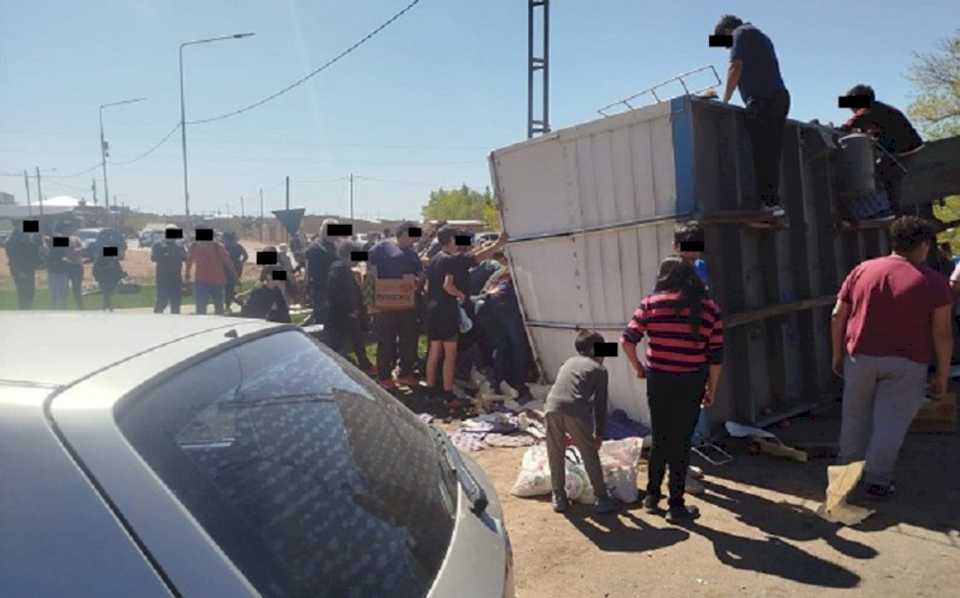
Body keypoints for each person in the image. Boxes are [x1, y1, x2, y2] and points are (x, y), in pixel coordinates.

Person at [831, 216, 952, 497]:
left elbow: (838, 315)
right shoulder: (933, 283)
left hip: (859, 357)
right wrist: (942, 377)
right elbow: (942, 333)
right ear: (923, 245)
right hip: (907, 363)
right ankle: (877, 480)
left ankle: (844, 477)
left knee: (854, 418)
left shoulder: (862, 270)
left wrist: (838, 355)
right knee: (891, 422)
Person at [622, 256, 725, 522]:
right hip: (691, 381)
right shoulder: (710, 309)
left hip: (659, 379)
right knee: (681, 442)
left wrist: (639, 368)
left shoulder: (651, 303)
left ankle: (652, 496)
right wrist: (711, 388)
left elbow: (627, 340)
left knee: (660, 436)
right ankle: (676, 505)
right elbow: (716, 356)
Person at [714, 14, 790, 215]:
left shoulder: (741, 33)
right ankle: (772, 203)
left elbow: (735, 66)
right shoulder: (760, 35)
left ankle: (767, 204)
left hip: (763, 101)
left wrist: (725, 100)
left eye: (726, 44)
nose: (728, 49)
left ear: (727, 32)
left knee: (762, 153)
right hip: (778, 98)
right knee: (771, 153)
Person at [544, 329, 618, 515]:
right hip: (576, 411)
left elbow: (566, 390)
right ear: (597, 351)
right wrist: (599, 434)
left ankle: (559, 497)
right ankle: (602, 498)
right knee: (589, 455)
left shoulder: (568, 362)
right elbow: (600, 405)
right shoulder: (600, 370)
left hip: (550, 407)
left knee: (555, 453)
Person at [839, 85, 924, 216]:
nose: (851, 109)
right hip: (911, 147)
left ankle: (888, 212)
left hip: (904, 151)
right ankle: (890, 209)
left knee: (879, 177)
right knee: (884, 175)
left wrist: (843, 128)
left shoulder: (869, 109)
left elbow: (853, 122)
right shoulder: (882, 109)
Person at [369, 221, 424, 387]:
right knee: (386, 341)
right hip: (384, 304)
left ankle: (404, 372)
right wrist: (370, 299)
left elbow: (420, 274)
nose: (413, 241)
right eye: (412, 237)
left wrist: (418, 282)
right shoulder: (380, 248)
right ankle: (384, 375)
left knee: (408, 339)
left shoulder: (412, 253)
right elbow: (367, 268)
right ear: (404, 234)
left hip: (406, 305)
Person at [326, 242, 374, 371]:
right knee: (342, 345)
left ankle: (364, 364)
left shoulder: (344, 269)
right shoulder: (338, 270)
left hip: (350, 312)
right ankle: (352, 367)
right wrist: (349, 310)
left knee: (358, 340)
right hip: (341, 315)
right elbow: (335, 294)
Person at [185, 234, 237, 315]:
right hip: (201, 282)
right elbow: (189, 261)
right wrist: (187, 274)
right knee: (201, 309)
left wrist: (235, 276)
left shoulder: (218, 247)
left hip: (217, 282)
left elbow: (228, 262)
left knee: (219, 308)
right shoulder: (194, 247)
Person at [305, 219, 340, 326]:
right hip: (322, 291)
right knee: (323, 323)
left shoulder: (334, 246)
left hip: (334, 290)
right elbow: (310, 271)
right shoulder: (316, 248)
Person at [4, 222, 43, 309]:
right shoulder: (13, 238)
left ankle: (26, 312)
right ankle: (23, 313)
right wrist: (19, 271)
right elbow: (14, 257)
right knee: (24, 293)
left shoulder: (25, 237)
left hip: (28, 268)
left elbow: (32, 251)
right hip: (20, 269)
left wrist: (38, 241)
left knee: (30, 293)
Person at [152, 230, 187, 314]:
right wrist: (164, 252)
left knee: (176, 301)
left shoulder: (179, 246)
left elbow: (185, 257)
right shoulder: (158, 245)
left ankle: (175, 319)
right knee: (162, 300)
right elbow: (153, 258)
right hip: (162, 277)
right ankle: (157, 318)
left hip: (176, 277)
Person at [92, 245, 125, 311]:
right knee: (106, 292)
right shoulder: (99, 260)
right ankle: (108, 306)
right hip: (103, 279)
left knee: (109, 292)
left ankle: (105, 305)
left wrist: (121, 274)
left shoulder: (113, 260)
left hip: (112, 279)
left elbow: (118, 268)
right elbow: (95, 269)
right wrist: (104, 270)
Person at [222, 232, 248, 312]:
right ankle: (238, 303)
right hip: (237, 268)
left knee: (228, 288)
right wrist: (240, 262)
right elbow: (246, 256)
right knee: (230, 288)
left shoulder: (225, 247)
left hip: (227, 269)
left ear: (227, 239)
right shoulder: (238, 246)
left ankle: (236, 304)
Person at [46, 234, 71, 309]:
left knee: (62, 293)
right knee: (55, 292)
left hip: (61, 272)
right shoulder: (52, 251)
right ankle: (55, 307)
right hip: (55, 273)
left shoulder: (58, 250)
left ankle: (62, 307)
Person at [65, 235, 85, 309]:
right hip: (67, 266)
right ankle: (65, 306)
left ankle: (80, 306)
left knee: (77, 287)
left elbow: (82, 247)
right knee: (64, 288)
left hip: (77, 266)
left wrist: (77, 250)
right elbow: (62, 252)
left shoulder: (76, 238)